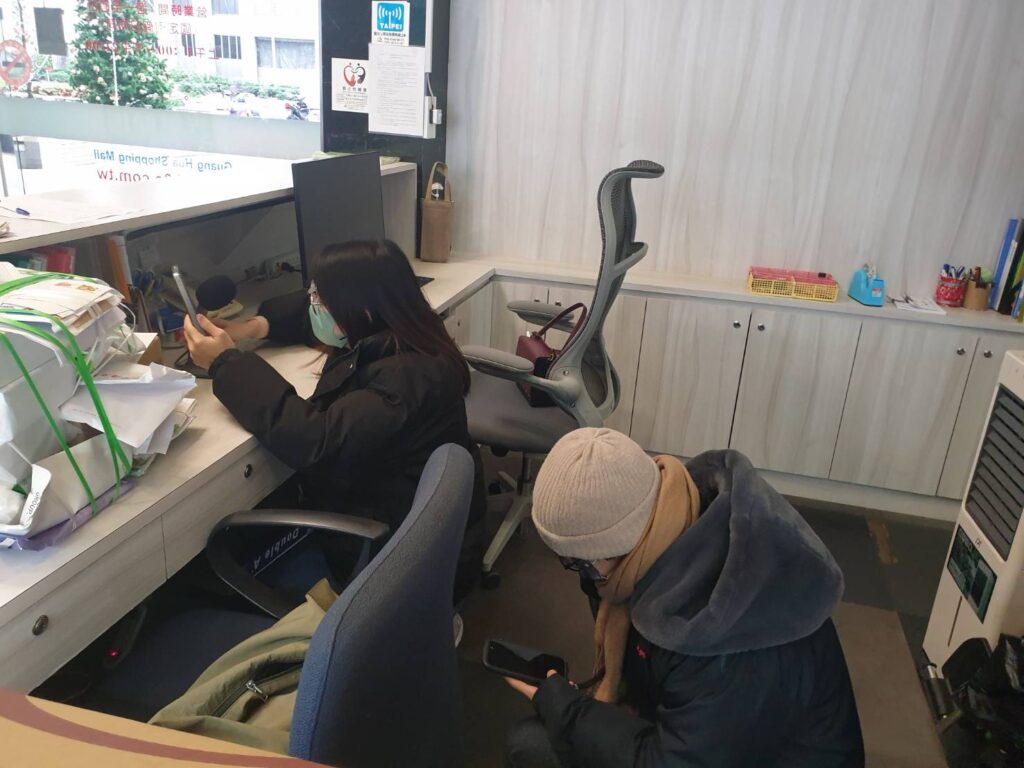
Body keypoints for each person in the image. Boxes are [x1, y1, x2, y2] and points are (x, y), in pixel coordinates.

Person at [504, 428, 864, 767]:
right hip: (715, 739)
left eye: (578, 562)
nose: (582, 577)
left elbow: (674, 762)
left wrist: (572, 714)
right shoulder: (672, 518)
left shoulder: (724, 638)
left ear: (617, 546)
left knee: (532, 745)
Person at [182, 239, 484, 602]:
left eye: (320, 298)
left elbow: (315, 440)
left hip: (380, 552)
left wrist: (226, 363)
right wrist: (253, 327)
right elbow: (307, 316)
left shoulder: (402, 382)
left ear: (360, 309)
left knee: (208, 568)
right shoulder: (408, 335)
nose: (312, 305)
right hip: (403, 518)